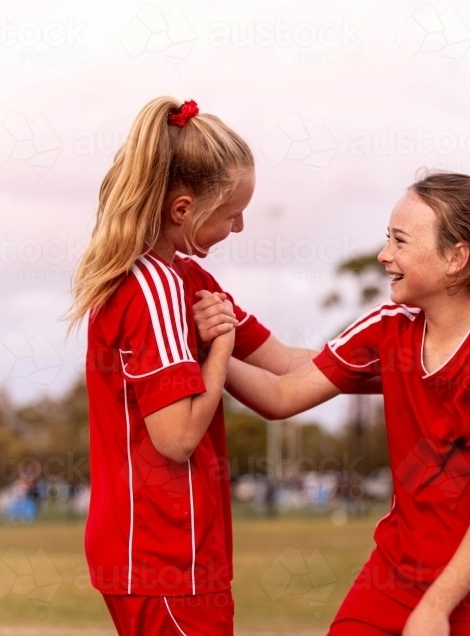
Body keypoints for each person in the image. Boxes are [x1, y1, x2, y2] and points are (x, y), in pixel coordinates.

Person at [225, 172, 470, 635]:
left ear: (456, 258)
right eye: (387, 238)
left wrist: (436, 607)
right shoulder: (390, 324)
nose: (384, 254)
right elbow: (283, 390)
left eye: (400, 241)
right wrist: (209, 347)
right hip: (393, 573)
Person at [67, 97, 314, 636]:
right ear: (183, 210)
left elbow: (291, 365)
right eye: (231, 215)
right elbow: (176, 437)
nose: (242, 226)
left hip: (178, 559)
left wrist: (414, 352)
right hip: (162, 555)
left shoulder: (188, 282)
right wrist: (220, 348)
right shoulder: (150, 288)